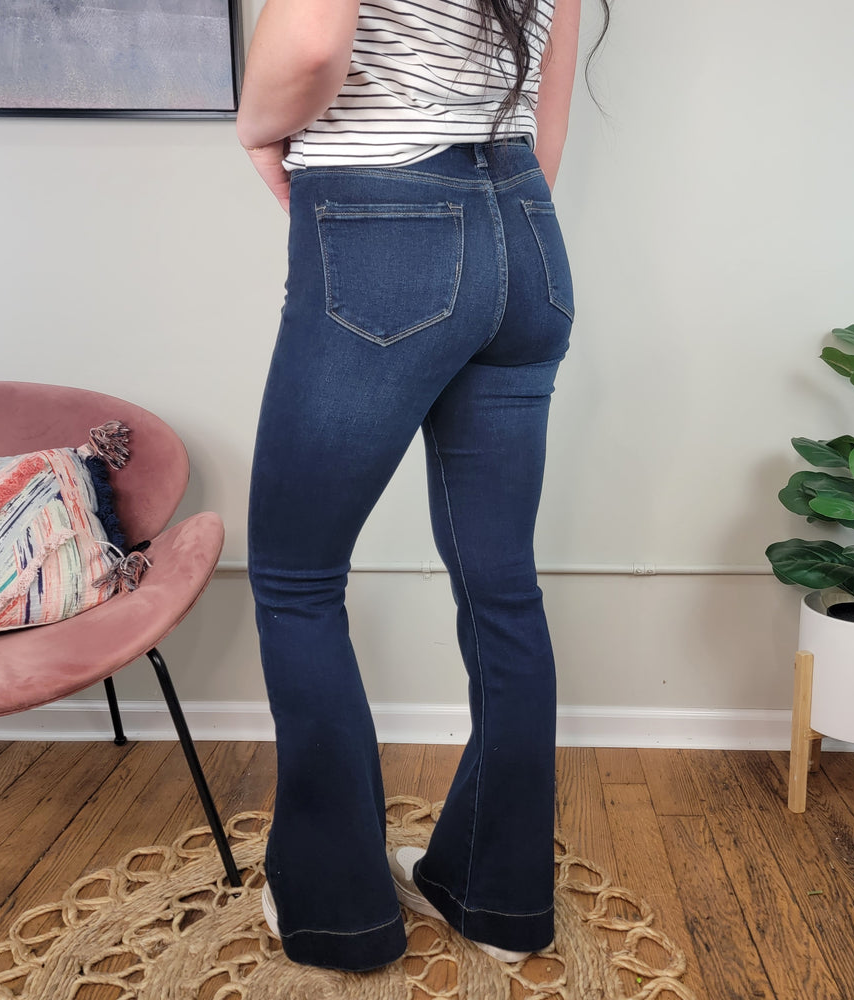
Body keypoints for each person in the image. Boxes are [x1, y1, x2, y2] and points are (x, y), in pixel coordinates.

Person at [237, 0, 605, 973]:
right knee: (503, 588)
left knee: (295, 582)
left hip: (384, 222)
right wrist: (488, 250)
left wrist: (254, 126)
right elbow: (547, 111)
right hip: (528, 228)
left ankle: (339, 913)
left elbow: (311, 40)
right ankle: (498, 899)